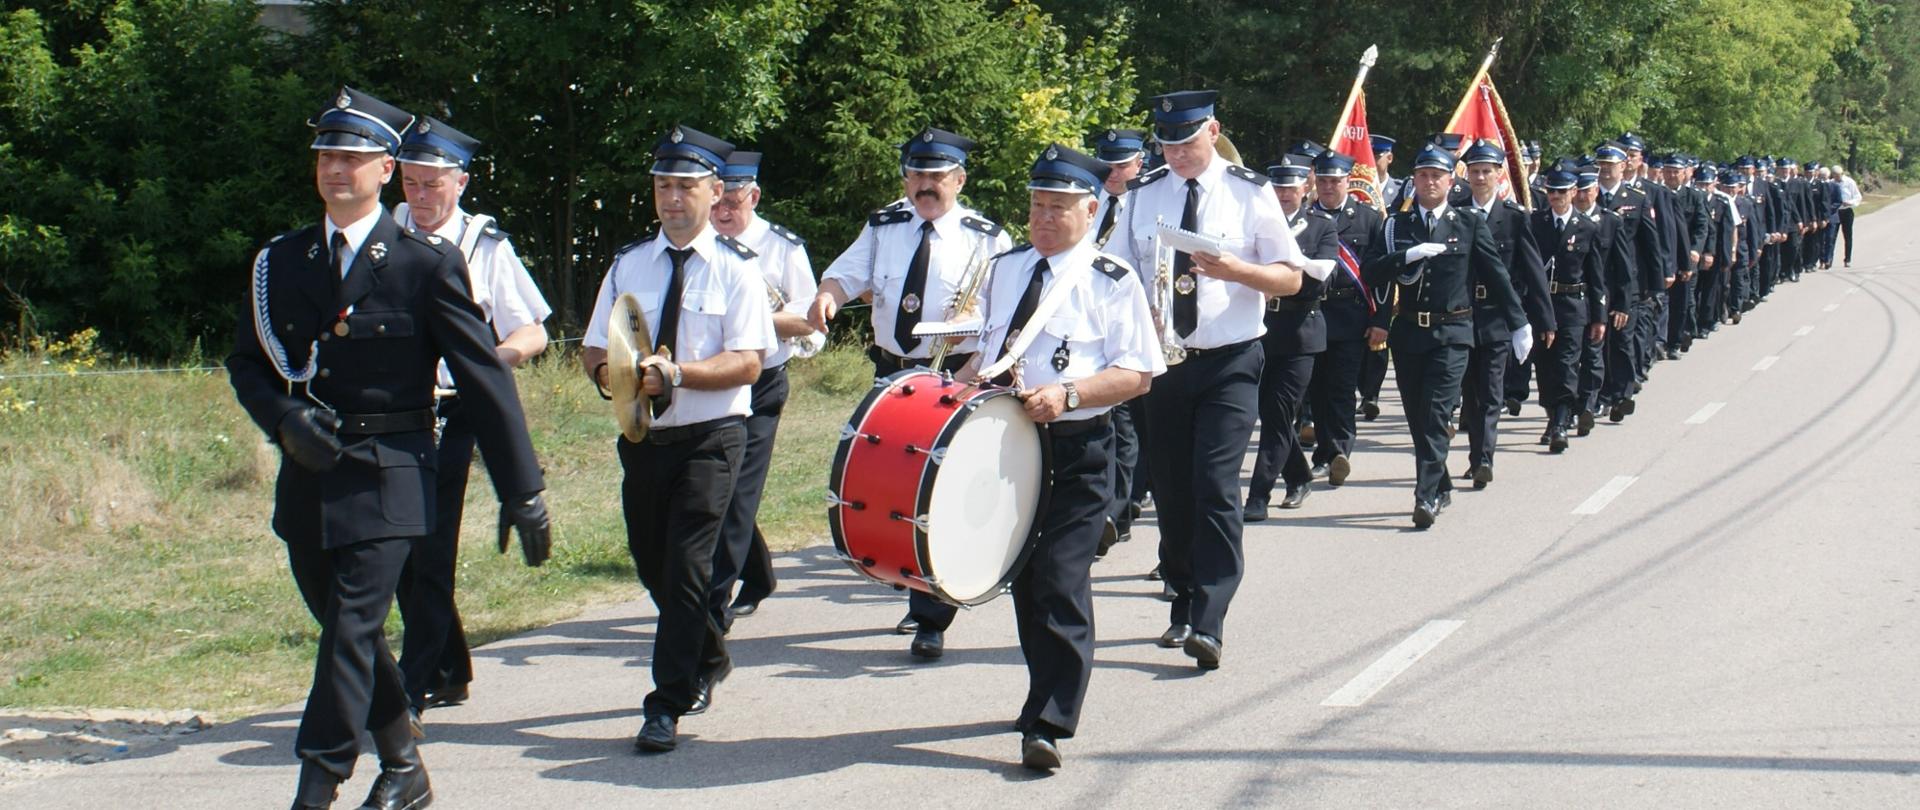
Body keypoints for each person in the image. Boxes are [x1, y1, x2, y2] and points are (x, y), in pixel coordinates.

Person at [227, 86, 550, 810]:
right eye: (326, 156)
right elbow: (248, 363)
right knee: (357, 637)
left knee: (349, 629)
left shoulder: (423, 264)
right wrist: (281, 418)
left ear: (385, 169)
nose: (337, 169)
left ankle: (317, 782)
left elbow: (483, 382)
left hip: (395, 472)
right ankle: (404, 766)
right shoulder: (282, 261)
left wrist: (522, 488)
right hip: (311, 478)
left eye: (354, 157)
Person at [957, 143, 1159, 771]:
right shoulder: (1006, 268)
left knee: (1061, 577)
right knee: (1024, 579)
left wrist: (1069, 392)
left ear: (1092, 209)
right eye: (1037, 206)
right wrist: (959, 382)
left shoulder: (1112, 280)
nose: (1043, 218)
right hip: (1009, 446)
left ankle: (1051, 718)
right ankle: (1041, 689)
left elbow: (1138, 375)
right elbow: (984, 353)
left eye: (1058, 208)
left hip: (1078, 448)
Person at [581, 124, 777, 753]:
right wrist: (611, 372)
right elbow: (591, 349)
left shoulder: (737, 269)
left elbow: (748, 362)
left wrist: (678, 374)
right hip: (642, 439)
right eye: (664, 185)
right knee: (654, 566)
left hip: (711, 438)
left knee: (690, 568)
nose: (672, 198)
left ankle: (664, 703)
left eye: (686, 186)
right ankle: (710, 653)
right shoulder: (628, 263)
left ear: (714, 191)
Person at [1104, 89, 1307, 669]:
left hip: (1230, 362)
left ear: (1213, 131)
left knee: (1216, 486)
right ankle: (1183, 598)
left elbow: (1290, 278)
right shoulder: (1142, 196)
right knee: (1171, 489)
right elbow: (1114, 273)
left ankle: (1210, 619)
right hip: (1164, 363)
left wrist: (1236, 269)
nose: (1177, 155)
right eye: (1167, 145)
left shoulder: (1249, 192)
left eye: (1187, 143)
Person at [810, 126, 1012, 659]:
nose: (925, 186)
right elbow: (846, 275)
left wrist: (976, 367)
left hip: (953, 374)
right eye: (917, 175)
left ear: (959, 180)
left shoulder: (987, 238)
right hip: (891, 371)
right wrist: (827, 299)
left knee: (935, 489)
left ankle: (930, 617)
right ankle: (908, 576)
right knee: (890, 484)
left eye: (937, 176)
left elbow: (1005, 314)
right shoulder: (885, 225)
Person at [389, 115, 553, 733]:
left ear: (460, 182)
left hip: (455, 413)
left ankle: (415, 680)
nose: (421, 198)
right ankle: (450, 664)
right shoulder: (384, 236)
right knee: (400, 549)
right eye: (410, 183)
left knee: (429, 547)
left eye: (433, 184)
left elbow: (532, 328)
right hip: (391, 413)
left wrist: (487, 361)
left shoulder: (485, 245)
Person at [1360, 142, 1524, 528]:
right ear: (1413, 180)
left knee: (1436, 415)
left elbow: (1497, 276)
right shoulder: (1396, 226)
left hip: (1453, 333)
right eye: (1422, 175)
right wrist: (1406, 256)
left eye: (1437, 175)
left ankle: (1425, 495)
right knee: (1418, 417)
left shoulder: (1468, 223)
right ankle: (1443, 482)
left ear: (1452, 181)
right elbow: (1370, 274)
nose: (1429, 182)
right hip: (1409, 335)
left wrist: (1520, 322)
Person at [707, 151, 821, 628]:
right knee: (717, 493)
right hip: (708, 383)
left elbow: (811, 319)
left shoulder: (782, 248)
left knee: (735, 495)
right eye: (717, 203)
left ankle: (712, 605)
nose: (723, 213)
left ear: (753, 196)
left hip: (762, 385)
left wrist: (750, 319)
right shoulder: (699, 244)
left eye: (733, 202)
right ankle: (758, 575)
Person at [1452, 140, 1549, 488]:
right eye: (1474, 171)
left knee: (1492, 392)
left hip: (1496, 316)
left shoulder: (1514, 218)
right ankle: (1476, 454)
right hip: (1461, 316)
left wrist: (1543, 319)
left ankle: (1483, 459)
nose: (1480, 178)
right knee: (1471, 394)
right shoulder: (1455, 212)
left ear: (1498, 175)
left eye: (1486, 172)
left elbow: (1533, 270)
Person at [1245, 154, 1334, 520]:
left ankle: (1258, 495)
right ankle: (1298, 474)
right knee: (1270, 413)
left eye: (1290, 187)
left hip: (1300, 334)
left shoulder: (1321, 227)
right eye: (1278, 186)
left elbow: (1320, 278)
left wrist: (1276, 282)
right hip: (1260, 331)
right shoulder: (1256, 224)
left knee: (1279, 411)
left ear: (1305, 187)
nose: (1283, 194)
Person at [1305, 150, 1387, 481]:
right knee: (1317, 388)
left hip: (1351, 314)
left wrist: (1380, 320)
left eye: (1334, 181)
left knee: (1341, 386)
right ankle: (1324, 451)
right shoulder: (1304, 217)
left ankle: (1339, 450)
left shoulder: (1368, 219)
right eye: (1322, 180)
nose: (1327, 187)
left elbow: (1381, 276)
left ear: (1346, 182)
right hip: (1313, 313)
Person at [1087, 127, 1150, 549]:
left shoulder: (1147, 203)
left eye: (1122, 163)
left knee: (1125, 426)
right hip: (1089, 324)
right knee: (1103, 422)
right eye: (1107, 162)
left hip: (1132, 323)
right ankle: (1107, 508)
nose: (1113, 171)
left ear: (1140, 163)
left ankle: (1118, 511)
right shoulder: (1085, 203)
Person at [1527, 162, 1604, 452]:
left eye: (1561, 191)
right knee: (1544, 365)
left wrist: (1599, 316)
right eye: (1551, 191)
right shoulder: (1536, 223)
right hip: (1541, 304)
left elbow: (1596, 276)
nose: (1555, 196)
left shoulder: (1587, 227)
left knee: (1567, 364)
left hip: (1572, 305)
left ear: (1573, 192)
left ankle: (1561, 420)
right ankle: (1552, 415)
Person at [1571, 159, 1635, 436]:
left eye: (1587, 191)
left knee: (1594, 353)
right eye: (1578, 191)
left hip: (1601, 300)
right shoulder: (1561, 222)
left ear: (1596, 191)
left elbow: (1623, 268)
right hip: (1569, 301)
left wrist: (1622, 304)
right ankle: (1570, 404)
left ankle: (1589, 403)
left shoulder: (1610, 221)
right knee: (1569, 358)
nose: (1582, 197)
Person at [1835, 166, 1862, 267]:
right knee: (1832, 236)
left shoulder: (1849, 182)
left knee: (1847, 236)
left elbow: (1857, 196)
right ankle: (1828, 259)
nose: (1837, 177)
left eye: (1838, 175)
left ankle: (1847, 259)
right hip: (1836, 211)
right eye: (1835, 175)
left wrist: (1850, 202)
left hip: (1847, 211)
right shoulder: (1832, 182)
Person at [1373, 134, 1402, 205]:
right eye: (1368, 157)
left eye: (1376, 157)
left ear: (1389, 158)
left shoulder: (1400, 191)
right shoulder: (1354, 189)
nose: (1371, 162)